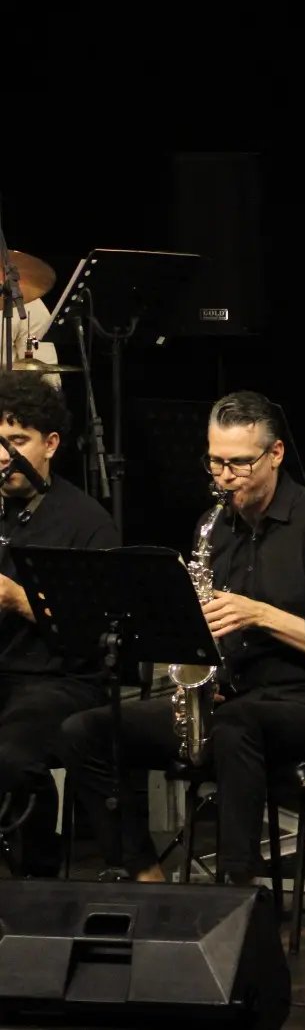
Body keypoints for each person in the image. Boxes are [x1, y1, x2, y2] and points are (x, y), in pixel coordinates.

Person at [60, 392, 305, 884]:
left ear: (276, 454)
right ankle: (145, 875)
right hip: (229, 699)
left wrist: (260, 615)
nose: (224, 476)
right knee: (85, 732)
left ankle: (237, 888)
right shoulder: (212, 527)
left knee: (235, 726)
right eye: (215, 462)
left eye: (239, 463)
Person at [0, 373, 118, 876]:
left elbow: (98, 631)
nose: (3, 456)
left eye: (16, 441)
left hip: (63, 680)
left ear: (50, 444)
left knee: (11, 754)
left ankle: (36, 875)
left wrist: (17, 599)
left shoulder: (86, 521)